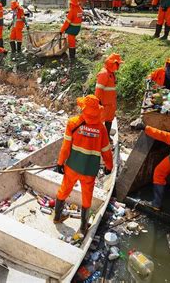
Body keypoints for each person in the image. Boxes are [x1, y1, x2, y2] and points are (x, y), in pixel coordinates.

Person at [54, 95, 113, 234]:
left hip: (72, 167)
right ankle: (83, 227)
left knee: (64, 189)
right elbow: (106, 151)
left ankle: (57, 217)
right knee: (87, 197)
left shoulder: (73, 123)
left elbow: (65, 147)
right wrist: (109, 167)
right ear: (98, 111)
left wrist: (60, 163)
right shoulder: (101, 129)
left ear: (83, 108)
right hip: (89, 170)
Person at [95, 53, 124, 136]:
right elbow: (98, 90)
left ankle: (107, 137)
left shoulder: (111, 73)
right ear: (113, 63)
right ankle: (98, 140)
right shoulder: (104, 74)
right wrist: (98, 103)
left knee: (109, 120)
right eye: (117, 64)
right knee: (100, 122)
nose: (119, 66)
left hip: (110, 104)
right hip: (104, 104)